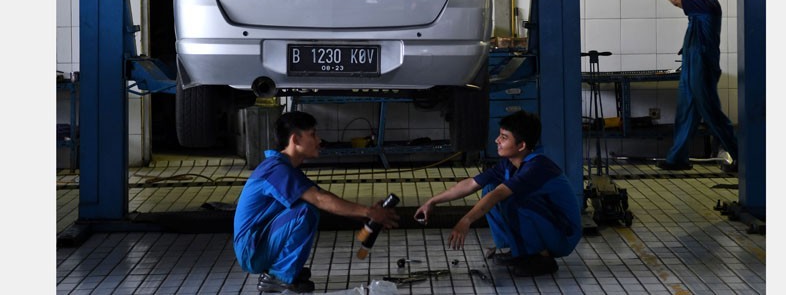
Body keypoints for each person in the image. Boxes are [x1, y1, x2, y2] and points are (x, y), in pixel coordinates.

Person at [233, 111, 400, 293]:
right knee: (305, 211)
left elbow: (321, 195)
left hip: (258, 244)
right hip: (252, 251)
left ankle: (284, 270)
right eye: (312, 134)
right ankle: (279, 277)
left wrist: (363, 217)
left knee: (307, 206)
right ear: (295, 140)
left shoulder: (285, 168)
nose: (319, 140)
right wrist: (369, 212)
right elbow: (320, 199)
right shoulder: (276, 169)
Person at [414, 110, 582, 277]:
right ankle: (518, 249)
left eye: (504, 137)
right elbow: (471, 184)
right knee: (489, 188)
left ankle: (542, 257)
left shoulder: (537, 167)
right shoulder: (509, 164)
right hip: (549, 226)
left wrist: (466, 220)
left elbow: (499, 194)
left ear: (521, 145)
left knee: (506, 197)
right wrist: (432, 202)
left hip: (562, 235)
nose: (497, 140)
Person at [652, 0, 738, 171]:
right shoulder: (699, 7)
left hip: (703, 68)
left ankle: (741, 156)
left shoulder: (708, 5)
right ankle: (677, 159)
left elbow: (675, 0)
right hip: (691, 66)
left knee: (712, 114)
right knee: (685, 113)